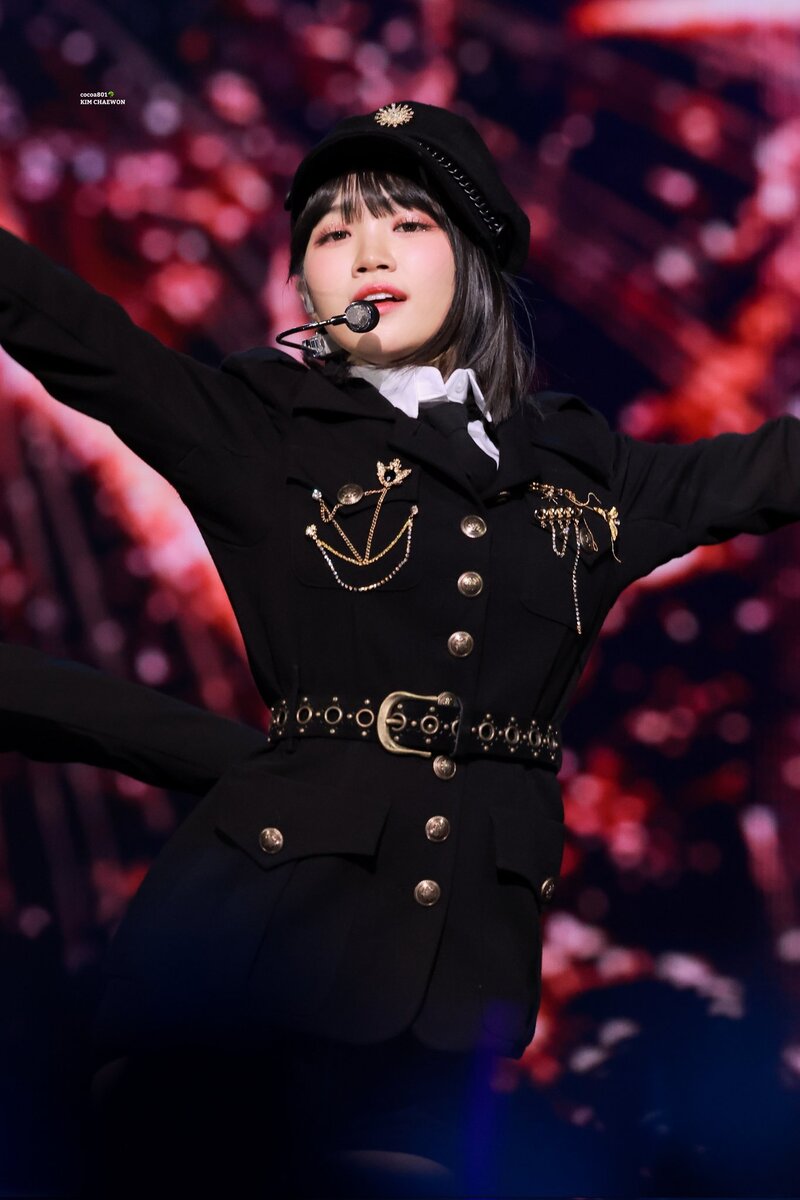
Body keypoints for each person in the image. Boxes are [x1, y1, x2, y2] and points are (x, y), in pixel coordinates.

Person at [1, 99, 799, 1197]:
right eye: (332, 234)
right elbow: (73, 333)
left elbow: (771, 469)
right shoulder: (262, 430)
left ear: (474, 263)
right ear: (303, 287)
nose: (366, 254)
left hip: (450, 987)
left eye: (406, 224)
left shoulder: (586, 473)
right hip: (249, 953)